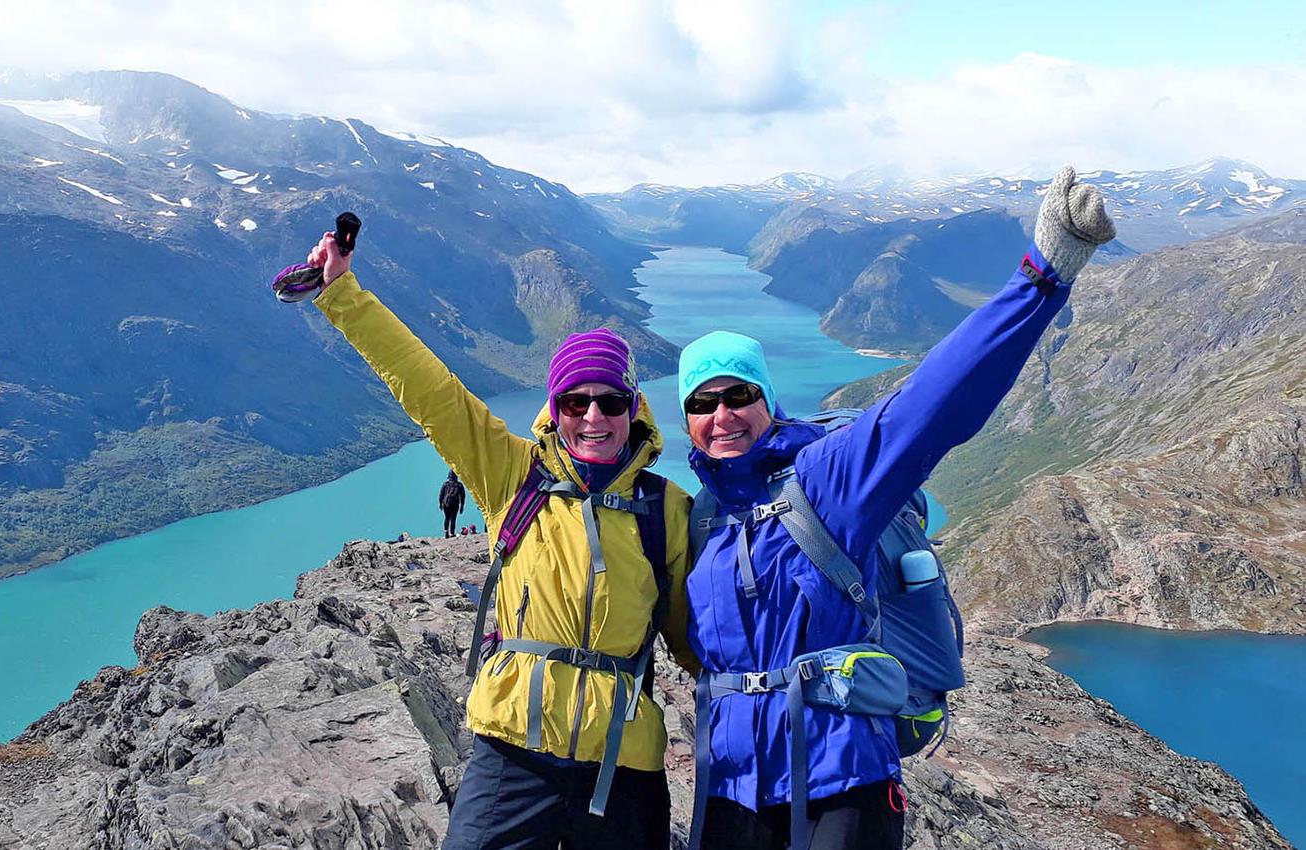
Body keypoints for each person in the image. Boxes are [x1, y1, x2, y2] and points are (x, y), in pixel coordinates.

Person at [679, 167, 1116, 849]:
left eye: (740, 395)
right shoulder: (703, 517)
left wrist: (1042, 275)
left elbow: (932, 404)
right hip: (732, 790)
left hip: (840, 781)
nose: (723, 414)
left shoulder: (825, 479)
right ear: (687, 419)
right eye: (703, 402)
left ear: (768, 401)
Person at [284, 229, 699, 850]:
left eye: (610, 401)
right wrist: (342, 293)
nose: (593, 417)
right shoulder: (513, 473)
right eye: (575, 402)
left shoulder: (665, 509)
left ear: (633, 407)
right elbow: (431, 391)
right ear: (554, 408)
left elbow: (698, 641)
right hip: (513, 748)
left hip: (622, 763)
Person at [440, 470, 467, 537]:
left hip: (446, 503)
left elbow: (441, 495)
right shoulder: (459, 485)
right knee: (453, 518)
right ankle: (452, 533)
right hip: (455, 503)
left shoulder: (445, 484)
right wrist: (462, 506)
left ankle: (446, 531)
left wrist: (440, 504)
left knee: (447, 518)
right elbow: (463, 496)